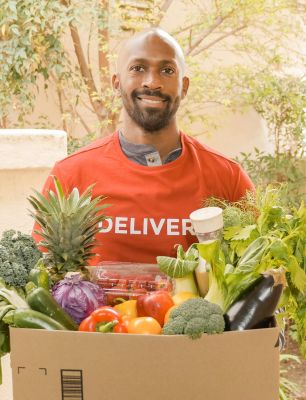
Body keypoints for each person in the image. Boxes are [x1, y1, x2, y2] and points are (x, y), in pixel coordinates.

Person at [34, 28, 254, 264]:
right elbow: (43, 277)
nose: (152, 82)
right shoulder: (70, 176)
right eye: (138, 68)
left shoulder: (228, 178)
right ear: (116, 83)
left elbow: (261, 272)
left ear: (184, 86)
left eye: (167, 70)